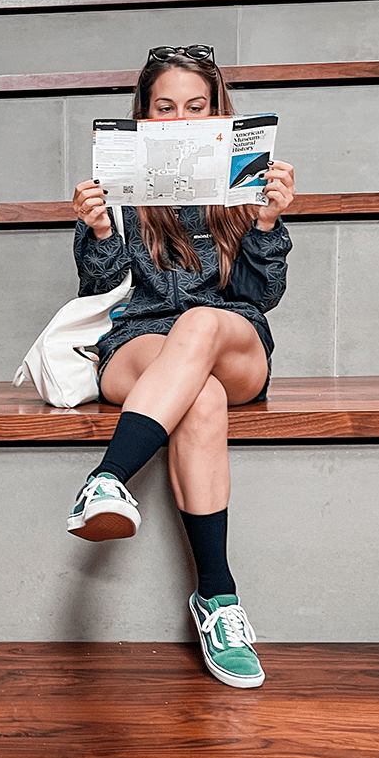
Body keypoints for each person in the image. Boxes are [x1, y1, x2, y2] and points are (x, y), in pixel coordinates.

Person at [67, 45, 295, 689]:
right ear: (143, 116)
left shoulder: (245, 182)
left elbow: (259, 295)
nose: (181, 119)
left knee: (199, 322)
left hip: (230, 338)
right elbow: (99, 292)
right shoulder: (121, 187)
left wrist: (266, 223)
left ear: (218, 113)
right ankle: (217, 598)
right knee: (202, 399)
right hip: (140, 338)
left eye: (196, 107)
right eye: (164, 108)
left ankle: (108, 478)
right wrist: (101, 232)